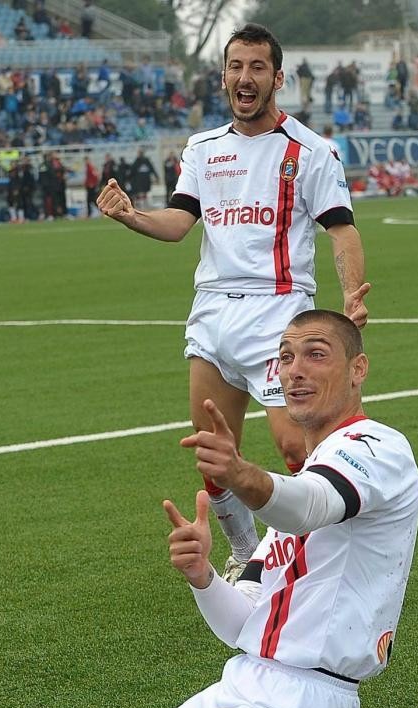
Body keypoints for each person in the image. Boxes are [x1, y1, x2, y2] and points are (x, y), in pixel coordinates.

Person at [116, 309, 418, 708]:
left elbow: (312, 505)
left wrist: (244, 477)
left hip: (305, 701)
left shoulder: (377, 448)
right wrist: (202, 578)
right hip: (245, 680)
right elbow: (243, 620)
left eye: (316, 354)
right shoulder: (299, 487)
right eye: (287, 356)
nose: (295, 370)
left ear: (358, 370)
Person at [97, 24, 371, 582]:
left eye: (256, 68)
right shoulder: (203, 148)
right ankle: (248, 555)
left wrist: (349, 298)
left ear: (277, 77)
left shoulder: (311, 152)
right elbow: (178, 224)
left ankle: (314, 548)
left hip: (278, 314)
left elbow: (341, 230)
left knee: (295, 446)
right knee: (213, 452)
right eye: (235, 67)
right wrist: (131, 215)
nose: (244, 78)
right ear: (223, 76)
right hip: (213, 314)